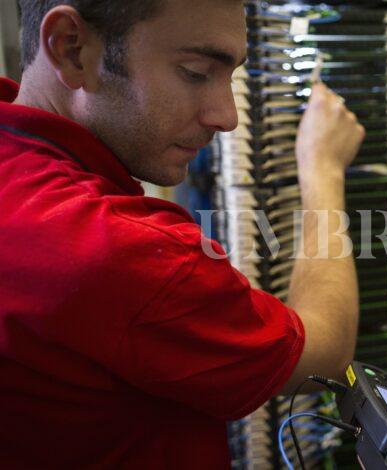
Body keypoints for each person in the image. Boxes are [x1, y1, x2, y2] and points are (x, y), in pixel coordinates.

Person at [0, 0, 364, 468]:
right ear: (72, 49)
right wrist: (323, 172)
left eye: (229, 76)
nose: (227, 117)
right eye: (195, 72)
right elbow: (325, 357)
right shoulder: (122, 249)